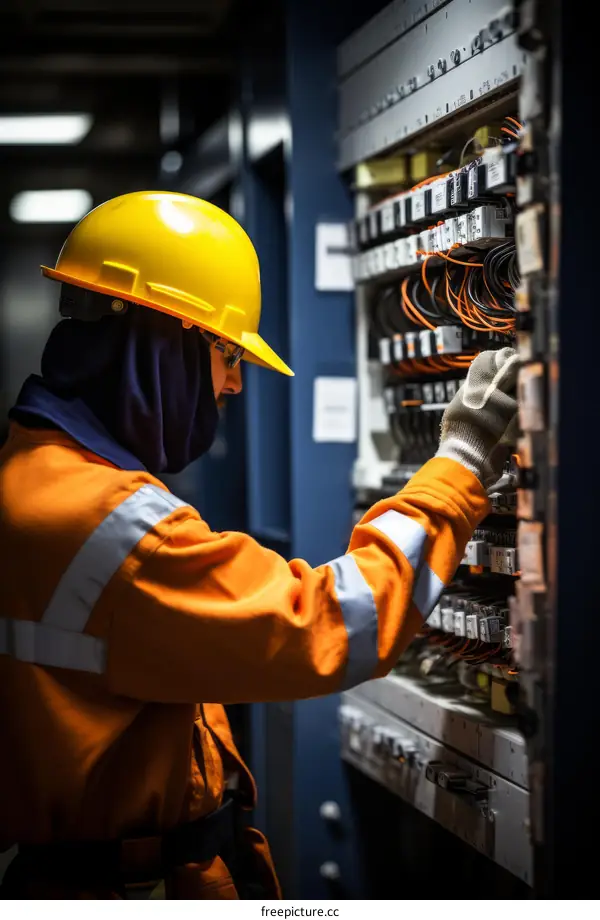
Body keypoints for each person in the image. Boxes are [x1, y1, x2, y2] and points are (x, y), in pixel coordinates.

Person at [0, 191, 519, 899]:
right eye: (224, 351)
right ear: (164, 341)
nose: (235, 384)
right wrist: (462, 459)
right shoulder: (104, 522)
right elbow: (335, 622)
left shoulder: (29, 476)